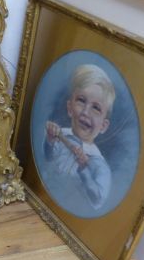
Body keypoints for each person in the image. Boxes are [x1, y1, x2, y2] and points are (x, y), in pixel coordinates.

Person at [43, 64, 115, 210]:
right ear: (70, 108)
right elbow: (47, 159)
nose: (85, 112)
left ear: (103, 126)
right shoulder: (60, 136)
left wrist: (84, 169)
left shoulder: (100, 166)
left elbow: (97, 201)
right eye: (81, 100)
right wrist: (49, 141)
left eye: (96, 108)